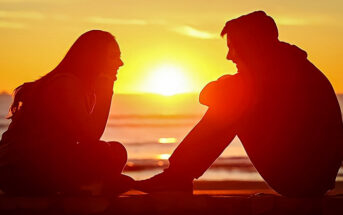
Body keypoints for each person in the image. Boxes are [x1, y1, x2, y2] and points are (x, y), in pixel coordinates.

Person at [135, 11, 343, 197]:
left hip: (301, 179)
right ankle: (177, 176)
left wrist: (228, 84)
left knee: (232, 101)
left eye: (232, 47)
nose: (229, 56)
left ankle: (176, 177)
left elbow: (207, 96)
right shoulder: (289, 65)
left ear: (250, 46)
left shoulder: (274, 75)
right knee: (233, 96)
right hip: (312, 177)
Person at [0, 30, 133, 196]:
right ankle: (93, 188)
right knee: (106, 152)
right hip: (20, 172)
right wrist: (105, 89)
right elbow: (91, 136)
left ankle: (93, 187)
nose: (120, 63)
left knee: (116, 151)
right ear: (95, 58)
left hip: (41, 164)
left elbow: (80, 141)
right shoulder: (66, 84)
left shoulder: (82, 88)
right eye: (114, 56)